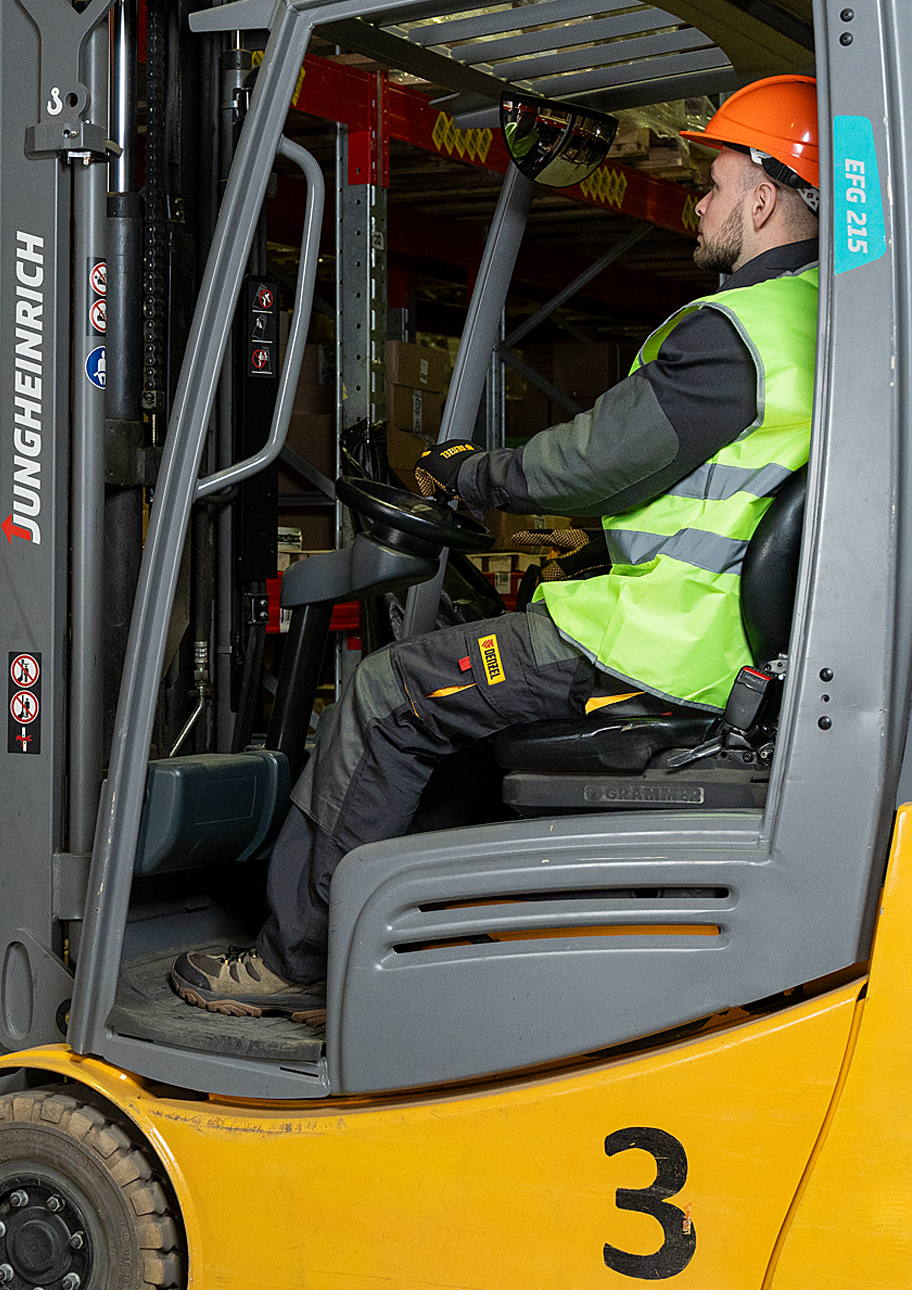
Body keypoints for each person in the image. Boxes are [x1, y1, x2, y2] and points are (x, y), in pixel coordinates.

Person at [171, 75, 824, 1017]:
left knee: (386, 692)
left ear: (761, 199)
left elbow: (590, 462)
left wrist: (472, 474)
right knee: (454, 701)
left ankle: (297, 966)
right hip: (732, 645)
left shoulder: (737, 337)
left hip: (661, 645)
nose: (699, 203)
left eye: (713, 184)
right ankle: (432, 932)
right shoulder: (825, 321)